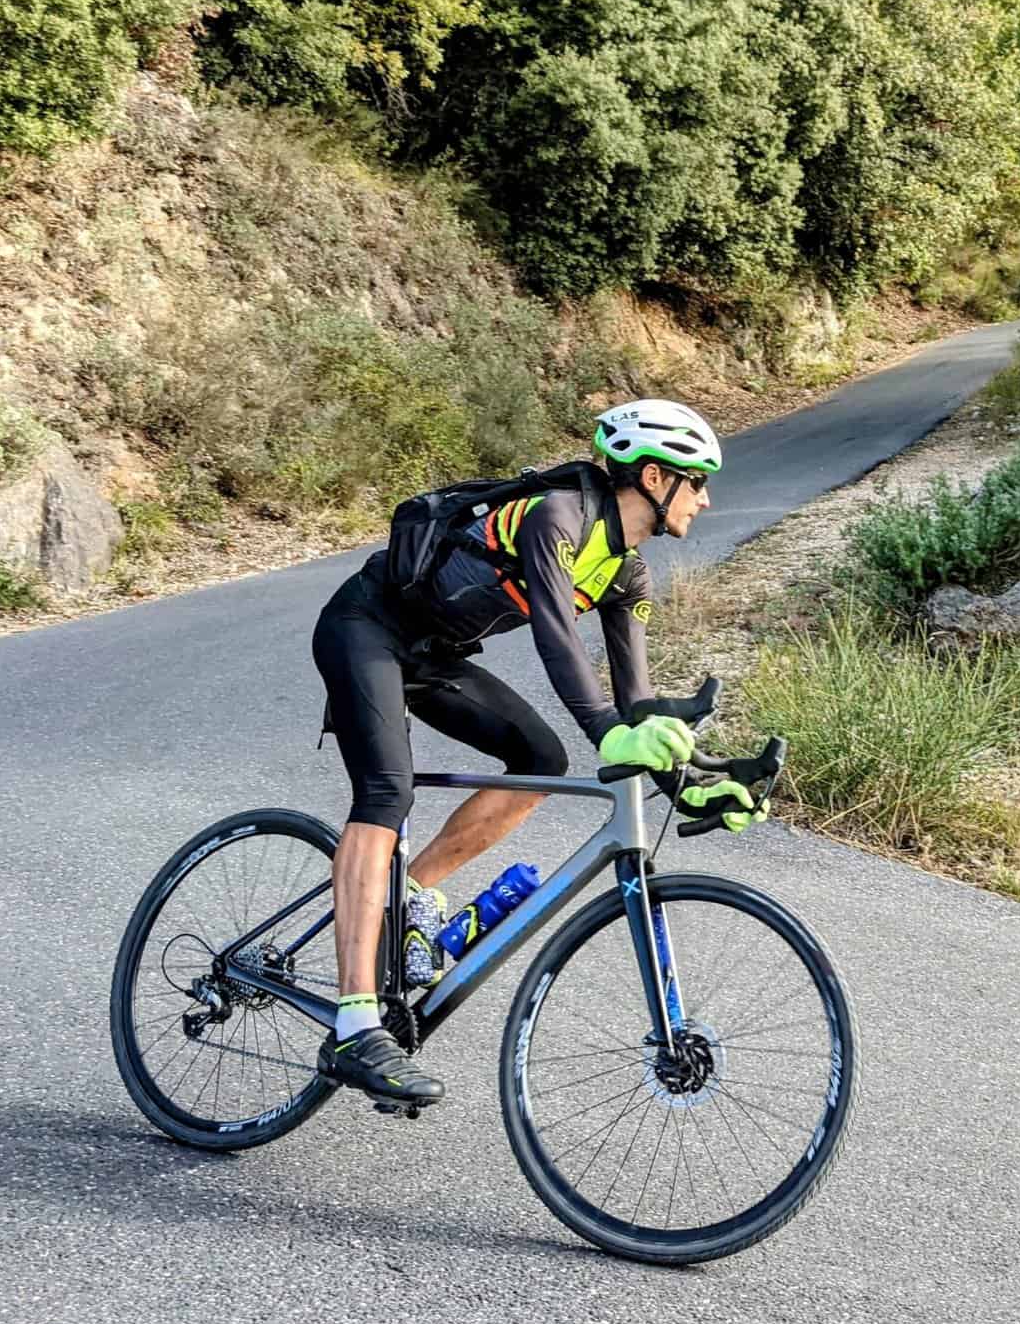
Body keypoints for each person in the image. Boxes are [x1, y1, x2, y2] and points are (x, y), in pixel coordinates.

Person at [310, 399, 765, 1108]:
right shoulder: (558, 515)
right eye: (697, 481)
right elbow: (557, 638)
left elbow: (636, 700)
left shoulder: (628, 574)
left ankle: (408, 901)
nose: (705, 499)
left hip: (432, 653)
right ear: (653, 476)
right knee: (385, 794)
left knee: (540, 761)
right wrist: (609, 732)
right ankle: (353, 1025)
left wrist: (693, 783)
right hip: (364, 627)